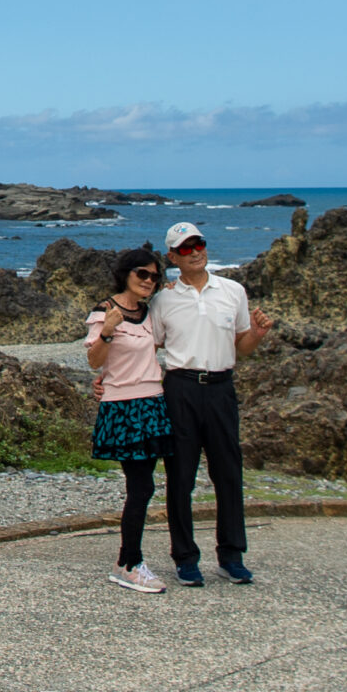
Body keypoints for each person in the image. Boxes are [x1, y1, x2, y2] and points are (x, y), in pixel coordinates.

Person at [150, 220, 273, 586]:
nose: (195, 252)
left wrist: (257, 334)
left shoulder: (233, 291)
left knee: (228, 473)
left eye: (199, 244)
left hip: (221, 387)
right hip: (180, 388)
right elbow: (150, 346)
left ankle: (231, 555)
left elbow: (241, 347)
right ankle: (185, 557)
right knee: (180, 477)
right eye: (185, 248)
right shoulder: (163, 298)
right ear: (172, 256)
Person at [85, 247, 174, 593]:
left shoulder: (149, 313)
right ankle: (129, 564)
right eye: (142, 274)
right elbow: (94, 361)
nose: (149, 281)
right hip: (124, 408)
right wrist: (107, 330)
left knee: (145, 486)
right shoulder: (104, 311)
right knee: (141, 487)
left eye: (154, 276)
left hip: (152, 404)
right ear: (125, 274)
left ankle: (129, 561)